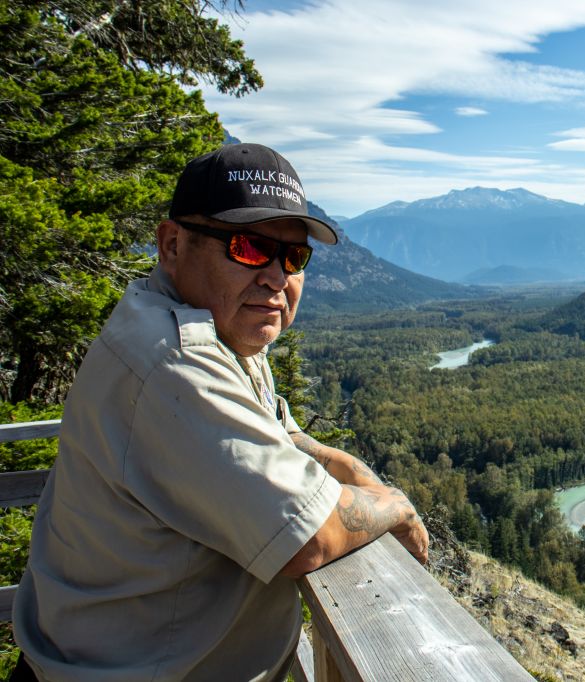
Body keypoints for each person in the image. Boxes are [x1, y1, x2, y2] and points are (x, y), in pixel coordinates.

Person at [12, 143, 429, 681]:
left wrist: (351, 471)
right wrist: (394, 504)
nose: (278, 277)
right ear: (172, 244)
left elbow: (282, 436)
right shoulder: (173, 362)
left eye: (294, 256)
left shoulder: (216, 333)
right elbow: (312, 536)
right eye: (250, 247)